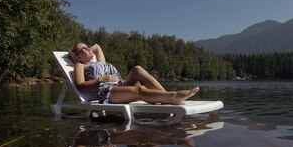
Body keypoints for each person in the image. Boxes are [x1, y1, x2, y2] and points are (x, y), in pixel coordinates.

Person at [69, 43, 199, 105]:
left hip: (120, 85)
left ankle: (166, 98)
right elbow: (80, 85)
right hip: (108, 92)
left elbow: (97, 46)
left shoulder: (99, 62)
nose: (88, 49)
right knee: (139, 90)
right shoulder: (80, 66)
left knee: (137, 69)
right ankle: (172, 96)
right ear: (78, 57)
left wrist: (86, 52)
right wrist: (102, 78)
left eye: (87, 47)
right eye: (84, 49)